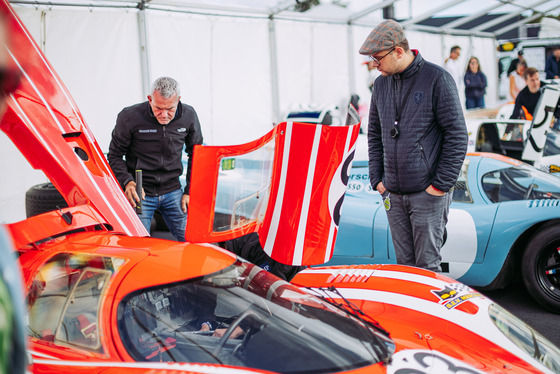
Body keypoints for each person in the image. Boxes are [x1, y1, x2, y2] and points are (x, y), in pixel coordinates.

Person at [359, 19, 467, 272]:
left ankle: (432, 313)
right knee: (405, 270)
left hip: (427, 194)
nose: (375, 65)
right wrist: (378, 180)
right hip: (393, 194)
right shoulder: (381, 84)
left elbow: (457, 135)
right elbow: (374, 134)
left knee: (428, 268)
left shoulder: (437, 78)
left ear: (398, 51)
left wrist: (439, 186)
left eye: (378, 58)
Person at [108, 77, 203, 241]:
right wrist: (128, 182)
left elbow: (197, 154)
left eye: (170, 109)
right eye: (158, 108)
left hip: (173, 190)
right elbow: (115, 155)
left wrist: (190, 191)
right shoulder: (129, 117)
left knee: (192, 239)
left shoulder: (189, 115)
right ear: (150, 99)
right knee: (139, 243)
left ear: (178, 100)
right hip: (140, 192)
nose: (164, 115)